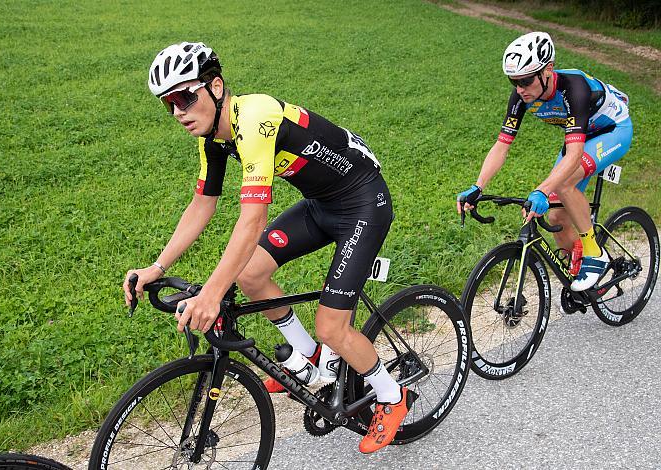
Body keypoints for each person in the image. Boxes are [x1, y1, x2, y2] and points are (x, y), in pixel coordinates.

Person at [123, 42, 416, 453]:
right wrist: (158, 265)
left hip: (363, 203)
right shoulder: (213, 136)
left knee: (332, 325)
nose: (178, 112)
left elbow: (252, 218)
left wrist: (210, 293)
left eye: (185, 97)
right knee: (250, 274)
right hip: (322, 204)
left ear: (216, 86)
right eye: (168, 103)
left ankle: (390, 395)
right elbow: (202, 203)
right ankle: (311, 360)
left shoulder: (256, 117)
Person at [457, 31, 632, 291]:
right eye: (513, 81)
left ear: (547, 70)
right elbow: (502, 145)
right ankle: (584, 268)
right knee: (557, 217)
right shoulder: (521, 96)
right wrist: (478, 186)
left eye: (526, 80)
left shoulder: (574, 87)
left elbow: (573, 156)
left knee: (562, 185)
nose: (519, 88)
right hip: (579, 138)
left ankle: (595, 254)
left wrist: (542, 189)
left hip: (612, 131)